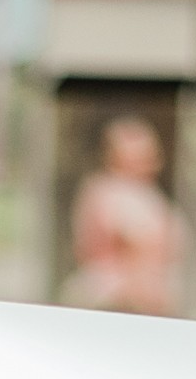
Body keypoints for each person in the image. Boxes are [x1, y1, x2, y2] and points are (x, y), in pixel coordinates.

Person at [60, 113, 187, 316]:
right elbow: (134, 252)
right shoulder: (108, 192)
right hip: (121, 305)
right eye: (139, 155)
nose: (151, 162)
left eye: (150, 154)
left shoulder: (149, 194)